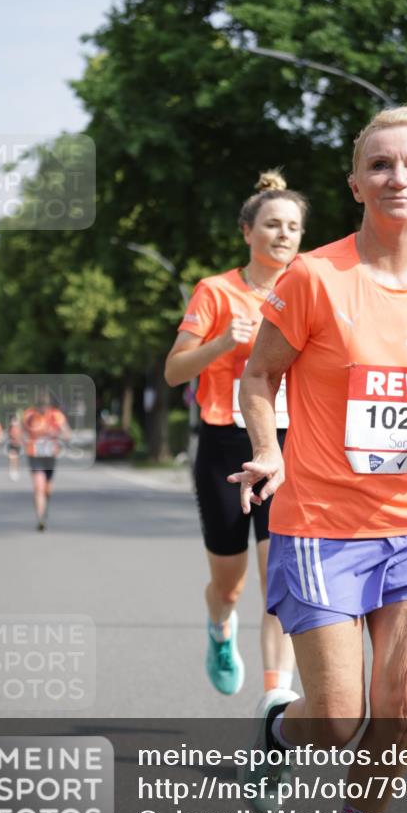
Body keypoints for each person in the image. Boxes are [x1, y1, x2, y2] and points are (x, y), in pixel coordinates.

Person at [230, 107, 407, 813]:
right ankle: (280, 732)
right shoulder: (314, 277)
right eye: (380, 165)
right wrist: (264, 451)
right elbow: (257, 377)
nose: (398, 177)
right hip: (320, 524)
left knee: (405, 705)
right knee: (339, 717)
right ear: (355, 184)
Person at [165, 171, 307, 697]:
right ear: (248, 231)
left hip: (287, 446)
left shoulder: (308, 290)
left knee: (279, 584)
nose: (284, 234)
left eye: (293, 226)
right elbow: (175, 371)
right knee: (232, 585)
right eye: (272, 224)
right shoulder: (216, 291)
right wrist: (223, 342)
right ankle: (221, 627)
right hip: (225, 445)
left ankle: (275, 701)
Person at [22, 391, 71, 531]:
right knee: (39, 487)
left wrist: (57, 434)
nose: (42, 409)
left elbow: (67, 434)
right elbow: (21, 431)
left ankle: (45, 506)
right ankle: (40, 518)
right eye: (39, 406)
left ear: (49, 405)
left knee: (47, 489)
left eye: (44, 406)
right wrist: (23, 439)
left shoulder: (56, 415)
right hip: (35, 454)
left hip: (50, 456)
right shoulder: (29, 414)